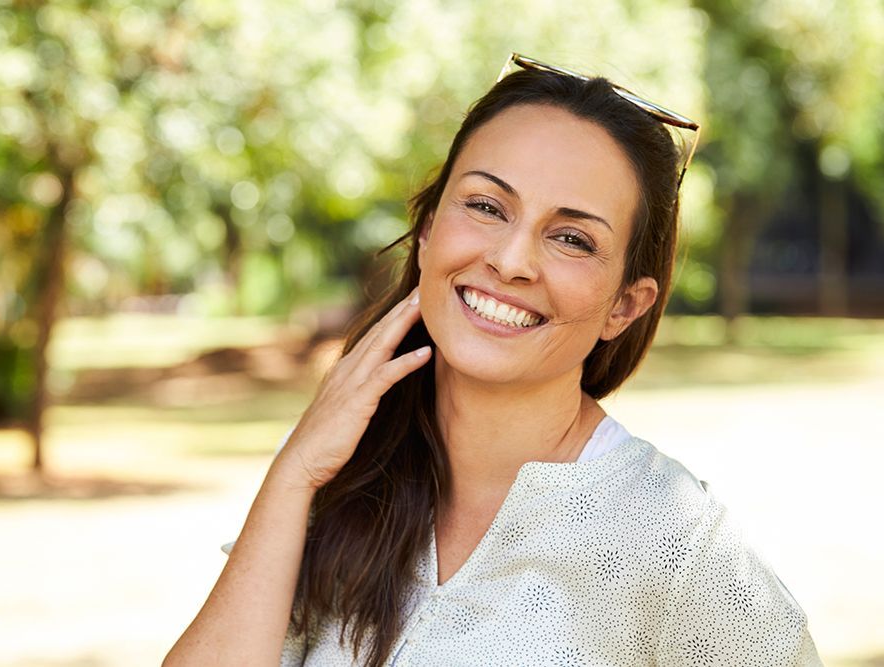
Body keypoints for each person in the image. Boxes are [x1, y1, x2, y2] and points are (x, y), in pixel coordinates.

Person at [164, 53, 822, 666]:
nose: (510, 260)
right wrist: (295, 474)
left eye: (571, 238)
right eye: (485, 205)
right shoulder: (337, 471)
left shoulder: (677, 544)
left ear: (626, 303)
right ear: (427, 231)